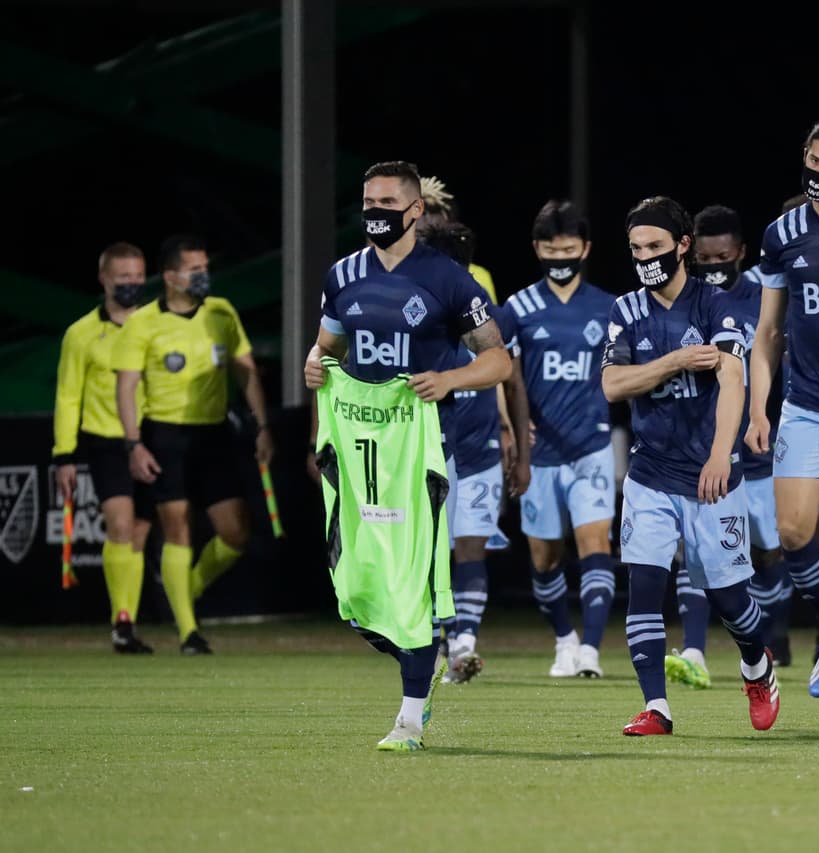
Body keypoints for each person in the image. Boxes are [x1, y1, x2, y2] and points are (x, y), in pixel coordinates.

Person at [304, 160, 511, 750]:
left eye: (387, 202)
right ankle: (423, 657)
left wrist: (450, 380)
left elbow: (499, 362)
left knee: (412, 584)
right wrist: (314, 366)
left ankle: (411, 715)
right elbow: (327, 351)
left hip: (420, 453)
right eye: (367, 200)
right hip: (360, 450)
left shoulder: (449, 280)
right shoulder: (342, 275)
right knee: (355, 588)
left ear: (415, 210)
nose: (375, 211)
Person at [604, 196, 779, 736]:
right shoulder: (626, 311)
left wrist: (721, 454)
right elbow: (613, 384)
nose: (645, 257)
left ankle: (757, 666)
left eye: (655, 246)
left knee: (731, 600)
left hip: (711, 475)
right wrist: (676, 360)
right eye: (636, 248)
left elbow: (732, 378)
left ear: (683, 246)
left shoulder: (715, 306)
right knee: (646, 585)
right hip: (650, 473)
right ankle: (657, 707)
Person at [746, 117, 819, 699]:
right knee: (793, 531)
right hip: (806, 402)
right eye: (815, 162)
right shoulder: (781, 233)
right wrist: (759, 408)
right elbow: (768, 332)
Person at [114, 235, 269, 654]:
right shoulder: (143, 322)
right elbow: (126, 388)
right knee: (177, 528)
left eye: (205, 268)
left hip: (214, 434)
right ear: (170, 277)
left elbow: (245, 370)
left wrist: (263, 426)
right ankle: (189, 633)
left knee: (236, 533)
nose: (204, 276)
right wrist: (134, 445)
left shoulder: (221, 312)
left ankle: (186, 589)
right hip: (165, 435)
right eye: (194, 269)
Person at [662, 204, 783, 690]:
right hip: (707, 450)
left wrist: (770, 415)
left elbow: (777, 358)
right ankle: (693, 649)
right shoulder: (685, 301)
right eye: (705, 258)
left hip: (765, 448)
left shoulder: (764, 299)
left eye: (723, 256)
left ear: (741, 254)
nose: (714, 266)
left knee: (771, 551)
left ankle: (769, 639)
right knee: (695, 551)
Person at [507, 200, 619, 678]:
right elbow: (504, 376)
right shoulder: (518, 308)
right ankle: (563, 640)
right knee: (543, 555)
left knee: (596, 543)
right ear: (537, 249)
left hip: (592, 447)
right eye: (551, 250)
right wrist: (512, 426)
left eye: (569, 249)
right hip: (540, 455)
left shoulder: (608, 306)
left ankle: (591, 649)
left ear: (586, 248)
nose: (560, 258)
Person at [418, 221, 530, 684]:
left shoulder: (494, 317)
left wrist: (521, 449)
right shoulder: (415, 316)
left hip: (480, 446)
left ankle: (464, 642)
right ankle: (438, 639)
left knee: (470, 547)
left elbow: (513, 381)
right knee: (430, 553)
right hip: (428, 444)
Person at [53, 242, 154, 653]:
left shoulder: (154, 324)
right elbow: (67, 396)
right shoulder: (80, 334)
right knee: (121, 526)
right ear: (104, 279)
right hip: (105, 439)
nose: (132, 283)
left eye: (137, 276)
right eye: (123, 277)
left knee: (141, 535)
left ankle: (127, 617)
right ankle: (123, 623)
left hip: (153, 436)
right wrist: (64, 454)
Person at [416, 175, 498, 303]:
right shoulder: (394, 269)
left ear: (448, 217)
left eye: (432, 211)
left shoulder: (478, 276)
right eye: (418, 211)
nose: (425, 219)